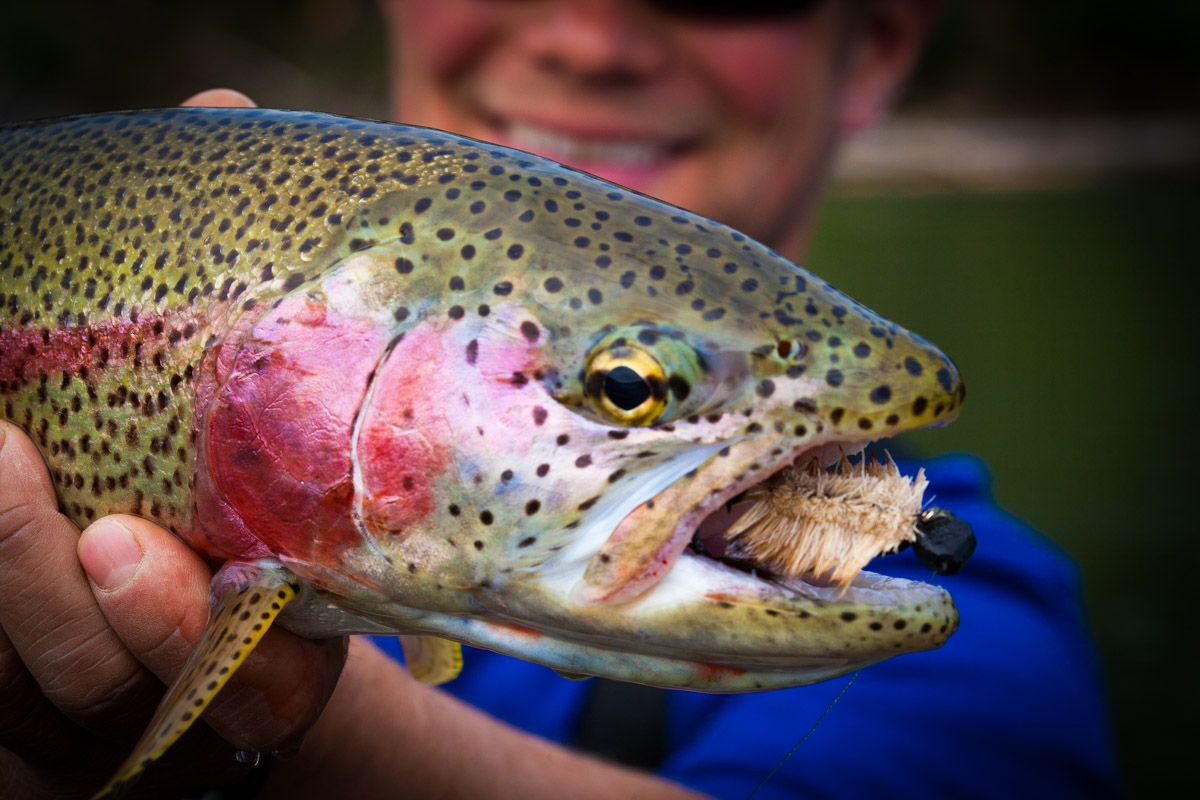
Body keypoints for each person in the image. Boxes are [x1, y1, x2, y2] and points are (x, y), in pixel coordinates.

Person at [0, 1, 1118, 797]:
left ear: (875, 46)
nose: (586, 40)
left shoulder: (994, 645)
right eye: (628, 385)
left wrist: (290, 732)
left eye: (630, 387)